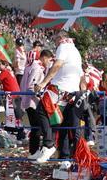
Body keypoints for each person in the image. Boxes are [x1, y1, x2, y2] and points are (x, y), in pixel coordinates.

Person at [32, 30, 84, 164]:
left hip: (60, 86)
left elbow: (57, 65)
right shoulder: (76, 51)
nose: (54, 42)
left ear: (60, 38)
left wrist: (43, 83)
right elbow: (80, 74)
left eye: (55, 39)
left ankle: (49, 145)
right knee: (63, 123)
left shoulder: (63, 46)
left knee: (41, 110)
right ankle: (64, 158)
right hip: (73, 90)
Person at [0, 57, 24, 140]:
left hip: (13, 96)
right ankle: (17, 133)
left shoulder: (5, 72)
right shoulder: (9, 72)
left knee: (15, 116)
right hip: (15, 95)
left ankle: (19, 133)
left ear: (5, 65)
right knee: (15, 116)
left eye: (0, 64)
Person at [22, 49, 51, 159]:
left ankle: (33, 151)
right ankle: (34, 152)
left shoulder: (27, 67)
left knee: (36, 127)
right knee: (37, 128)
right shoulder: (36, 68)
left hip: (28, 100)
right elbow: (32, 85)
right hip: (33, 101)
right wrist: (39, 97)